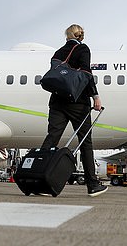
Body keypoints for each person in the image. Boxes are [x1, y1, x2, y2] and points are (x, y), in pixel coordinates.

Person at [40, 24, 108, 197]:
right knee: (85, 142)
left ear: (67, 35)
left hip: (56, 102)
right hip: (78, 103)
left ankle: (40, 179)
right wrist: (95, 96)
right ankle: (92, 184)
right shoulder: (83, 49)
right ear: (80, 36)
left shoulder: (58, 53)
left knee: (52, 138)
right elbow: (87, 74)